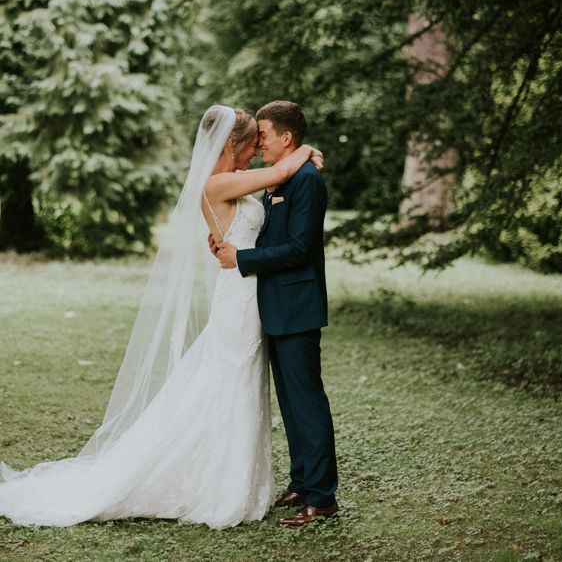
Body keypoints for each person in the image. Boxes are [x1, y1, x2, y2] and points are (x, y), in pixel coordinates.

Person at [0, 106, 322, 529]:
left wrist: (233, 244)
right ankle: (218, 482)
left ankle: (248, 477)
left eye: (264, 139)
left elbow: (262, 215)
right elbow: (281, 175)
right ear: (232, 144)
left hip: (249, 292)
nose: (258, 147)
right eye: (253, 141)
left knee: (235, 384)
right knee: (231, 382)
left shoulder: (232, 184)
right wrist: (308, 149)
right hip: (240, 300)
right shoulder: (221, 181)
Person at [216, 100, 338, 527]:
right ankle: (303, 482)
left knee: (306, 401)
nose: (259, 140)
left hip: (298, 307)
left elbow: (300, 249)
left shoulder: (306, 180)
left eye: (264, 133)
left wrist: (243, 259)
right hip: (275, 307)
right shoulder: (279, 178)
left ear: (287, 137)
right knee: (290, 400)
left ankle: (322, 496)